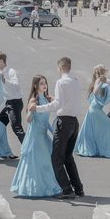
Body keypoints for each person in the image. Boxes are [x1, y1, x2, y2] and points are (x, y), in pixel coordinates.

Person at [30, 56, 84, 199]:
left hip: (64, 123)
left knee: (56, 158)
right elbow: (69, 101)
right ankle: (78, 188)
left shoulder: (61, 82)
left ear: (59, 68)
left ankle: (67, 189)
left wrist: (38, 108)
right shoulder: (76, 82)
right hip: (74, 122)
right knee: (68, 157)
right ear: (69, 67)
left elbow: (57, 104)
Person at [11, 75, 62, 198]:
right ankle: (37, 187)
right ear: (35, 86)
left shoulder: (47, 98)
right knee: (39, 161)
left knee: (47, 161)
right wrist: (31, 111)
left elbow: (59, 102)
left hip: (44, 134)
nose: (44, 85)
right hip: (35, 136)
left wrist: (53, 129)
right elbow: (29, 120)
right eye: (41, 84)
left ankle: (49, 185)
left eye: (45, 83)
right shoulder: (34, 100)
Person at [75, 65, 110, 158]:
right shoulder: (99, 81)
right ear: (103, 72)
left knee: (96, 130)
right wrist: (100, 84)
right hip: (95, 110)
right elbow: (95, 92)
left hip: (95, 109)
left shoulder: (101, 80)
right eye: (105, 71)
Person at [0, 52, 25, 146]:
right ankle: (3, 150)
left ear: (1, 61)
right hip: (8, 103)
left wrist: (5, 81)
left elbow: (17, 86)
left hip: (15, 103)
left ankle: (30, 150)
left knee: (16, 128)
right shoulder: (1, 72)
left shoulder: (11, 72)